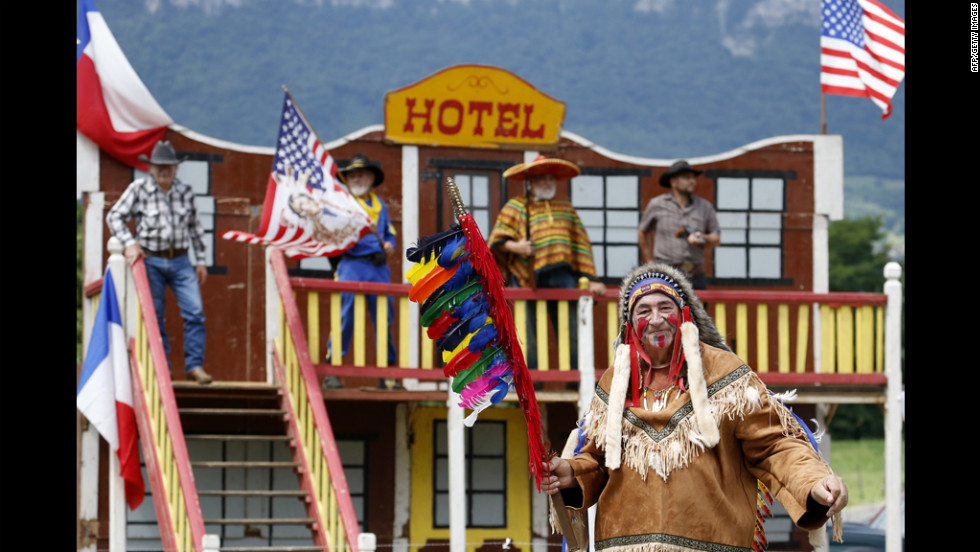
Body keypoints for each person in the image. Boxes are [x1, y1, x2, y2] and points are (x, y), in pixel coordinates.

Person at [543, 262, 847, 551]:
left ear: (685, 315)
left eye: (666, 307)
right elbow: (596, 459)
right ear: (631, 325)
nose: (657, 318)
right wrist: (571, 474)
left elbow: (774, 446)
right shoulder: (615, 381)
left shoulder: (726, 373)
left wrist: (814, 482)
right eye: (644, 311)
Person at [106, 140, 213, 384]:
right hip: (151, 259)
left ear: (175, 168)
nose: (164, 171)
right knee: (155, 315)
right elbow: (115, 216)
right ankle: (162, 367)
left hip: (181, 260)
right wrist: (129, 243)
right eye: (159, 166)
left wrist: (201, 261)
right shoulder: (138, 189)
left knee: (195, 311)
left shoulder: (185, 191)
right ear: (151, 168)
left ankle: (195, 365)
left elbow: (196, 229)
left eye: (169, 166)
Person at [488, 155, 606, 371]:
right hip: (525, 276)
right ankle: (532, 385)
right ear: (530, 182)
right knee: (529, 335)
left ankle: (577, 382)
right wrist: (516, 247)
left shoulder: (566, 209)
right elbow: (496, 241)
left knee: (572, 332)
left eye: (551, 178)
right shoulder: (516, 206)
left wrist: (590, 279)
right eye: (542, 178)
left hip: (563, 277)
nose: (548, 183)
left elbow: (581, 244)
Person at [324, 153, 398, 389]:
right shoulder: (343, 204)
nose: (356, 179)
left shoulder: (379, 205)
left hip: (378, 267)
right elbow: (334, 233)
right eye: (352, 175)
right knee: (345, 316)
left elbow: (389, 234)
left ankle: (387, 373)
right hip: (351, 265)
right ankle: (332, 370)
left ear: (370, 179)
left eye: (361, 175)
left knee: (384, 319)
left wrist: (389, 246)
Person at [638, 160, 720, 289]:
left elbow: (716, 240)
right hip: (665, 272)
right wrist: (649, 260)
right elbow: (642, 230)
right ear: (673, 182)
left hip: (695, 274)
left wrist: (703, 238)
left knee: (697, 309)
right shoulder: (657, 204)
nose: (692, 181)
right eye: (687, 178)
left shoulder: (705, 207)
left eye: (693, 178)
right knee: (665, 308)